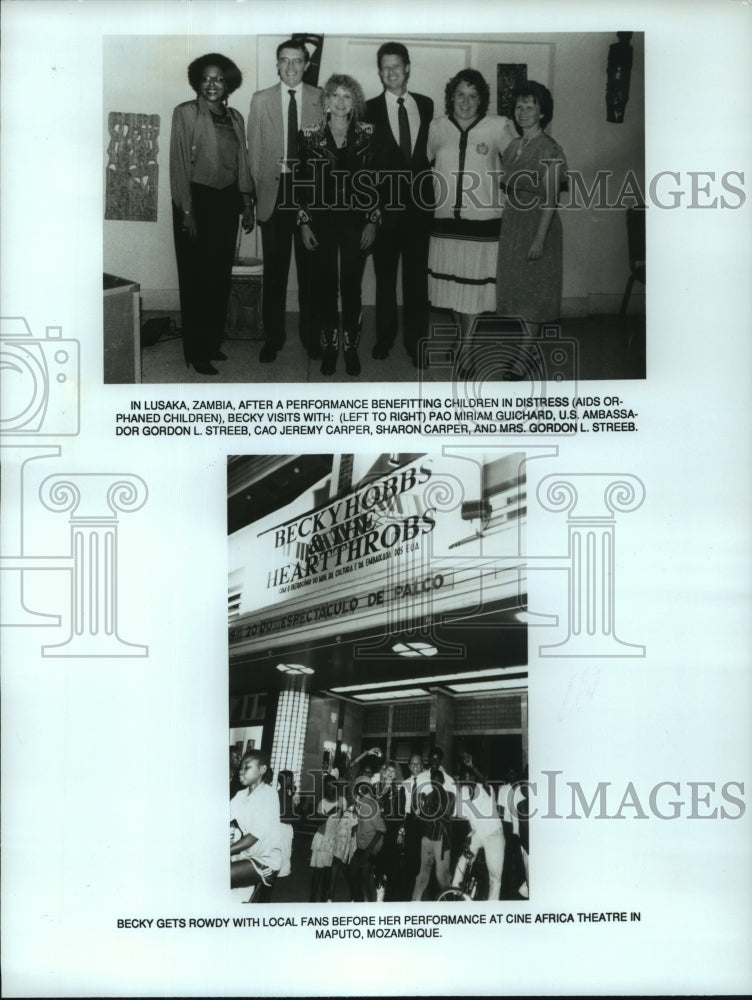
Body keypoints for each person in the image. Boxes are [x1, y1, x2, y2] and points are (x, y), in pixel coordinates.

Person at [427, 68, 517, 373]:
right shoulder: (437, 128)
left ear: (482, 99)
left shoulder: (498, 127)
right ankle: (463, 338)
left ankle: (466, 347)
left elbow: (520, 161)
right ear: (451, 96)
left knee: (474, 291)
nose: (466, 101)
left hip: (482, 224)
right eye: (460, 94)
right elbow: (425, 166)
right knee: (453, 289)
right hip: (445, 223)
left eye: (473, 95)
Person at [170, 53, 255, 375]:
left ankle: (212, 343)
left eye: (219, 79)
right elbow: (178, 164)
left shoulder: (235, 117)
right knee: (196, 280)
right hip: (196, 201)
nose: (212, 84)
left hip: (226, 202)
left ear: (228, 83)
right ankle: (196, 350)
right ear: (197, 81)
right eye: (206, 78)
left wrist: (246, 203)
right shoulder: (186, 113)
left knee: (219, 277)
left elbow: (243, 162)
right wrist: (187, 211)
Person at [297, 74, 379, 377]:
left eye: (347, 96)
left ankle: (351, 348)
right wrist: (304, 223)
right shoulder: (308, 135)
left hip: (357, 222)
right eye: (335, 96)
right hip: (321, 221)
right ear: (326, 101)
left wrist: (372, 220)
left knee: (352, 287)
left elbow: (375, 182)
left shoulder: (369, 133)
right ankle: (330, 348)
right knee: (326, 287)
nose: (341, 102)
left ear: (354, 101)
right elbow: (301, 185)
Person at [247, 39, 323, 364]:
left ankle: (311, 338)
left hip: (308, 196)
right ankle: (273, 338)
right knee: (275, 274)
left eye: (297, 61)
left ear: (307, 64)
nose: (291, 67)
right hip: (275, 196)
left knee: (310, 274)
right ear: (277, 64)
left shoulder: (321, 99)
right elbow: (255, 153)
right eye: (284, 61)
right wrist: (256, 196)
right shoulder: (261, 99)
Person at [365, 42, 434, 366]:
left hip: (420, 209)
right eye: (385, 67)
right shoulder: (368, 110)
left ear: (408, 67)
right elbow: (364, 165)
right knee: (385, 278)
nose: (391, 72)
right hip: (385, 211)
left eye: (397, 65)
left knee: (417, 279)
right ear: (379, 72)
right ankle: (384, 338)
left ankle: (416, 342)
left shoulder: (427, 105)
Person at [496, 81, 567, 347]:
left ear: (543, 113)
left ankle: (524, 357)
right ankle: (523, 347)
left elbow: (551, 200)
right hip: (514, 222)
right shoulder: (514, 146)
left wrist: (539, 239)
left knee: (533, 293)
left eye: (530, 106)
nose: (523, 111)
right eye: (518, 106)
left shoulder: (550, 149)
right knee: (517, 289)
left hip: (538, 224)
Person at [454, 752, 505, 900]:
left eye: (469, 776)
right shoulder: (463, 792)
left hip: (493, 834)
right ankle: (454, 894)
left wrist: (472, 766)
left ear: (474, 778)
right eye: (464, 777)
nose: (466, 779)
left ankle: (491, 907)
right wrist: (457, 787)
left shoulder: (484, 788)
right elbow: (460, 814)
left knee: (495, 876)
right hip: (477, 834)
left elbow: (485, 781)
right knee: (462, 862)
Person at [230, 750, 283, 889]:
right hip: (247, 855)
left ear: (262, 769)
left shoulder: (269, 794)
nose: (241, 771)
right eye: (241, 767)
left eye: (247, 767)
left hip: (266, 860)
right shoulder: (240, 795)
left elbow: (254, 836)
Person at [411, 768, 454, 900]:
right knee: (422, 875)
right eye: (433, 781)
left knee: (442, 876)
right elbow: (417, 817)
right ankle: (413, 907)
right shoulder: (427, 796)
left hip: (441, 839)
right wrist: (418, 804)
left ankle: (452, 906)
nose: (435, 784)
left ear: (443, 781)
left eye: (438, 781)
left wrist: (424, 808)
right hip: (427, 838)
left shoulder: (450, 795)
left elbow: (444, 816)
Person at [309, 776, 349, 902]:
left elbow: (345, 820)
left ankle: (323, 899)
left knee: (328, 872)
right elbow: (318, 822)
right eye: (327, 786)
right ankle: (312, 899)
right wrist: (330, 812)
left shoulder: (342, 801)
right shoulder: (322, 803)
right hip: (322, 840)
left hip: (334, 840)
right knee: (318, 872)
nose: (330, 788)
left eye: (333, 785)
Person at [347, 779, 386, 902]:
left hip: (370, 848)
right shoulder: (363, 803)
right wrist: (357, 827)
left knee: (362, 880)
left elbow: (381, 829)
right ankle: (361, 903)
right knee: (352, 875)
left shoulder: (370, 804)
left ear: (360, 791)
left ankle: (367, 909)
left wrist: (369, 851)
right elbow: (368, 823)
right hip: (362, 846)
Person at [373, 760, 406, 901]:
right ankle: (379, 891)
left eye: (394, 771)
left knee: (391, 864)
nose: (390, 773)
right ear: (383, 771)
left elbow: (402, 812)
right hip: (377, 829)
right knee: (377, 863)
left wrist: (401, 831)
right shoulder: (376, 787)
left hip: (392, 830)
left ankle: (387, 897)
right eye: (388, 770)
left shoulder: (399, 789)